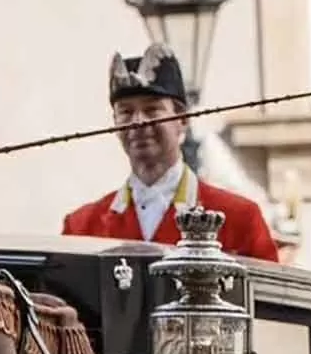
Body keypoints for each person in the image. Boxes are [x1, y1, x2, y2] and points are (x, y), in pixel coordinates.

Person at [62, 48, 279, 258]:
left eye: (152, 109)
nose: (138, 122)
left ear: (182, 119)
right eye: (126, 112)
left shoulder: (239, 218)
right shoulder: (81, 227)